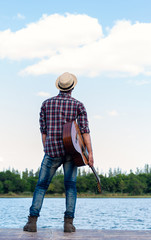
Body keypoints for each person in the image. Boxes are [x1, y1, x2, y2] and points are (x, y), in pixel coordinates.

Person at [23, 72, 94, 233]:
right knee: (70, 187)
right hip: (72, 152)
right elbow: (85, 132)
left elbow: (44, 131)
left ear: (59, 87)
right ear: (72, 87)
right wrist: (90, 154)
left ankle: (32, 223)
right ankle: (68, 224)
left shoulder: (46, 104)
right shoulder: (78, 105)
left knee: (41, 186)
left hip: (51, 151)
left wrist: (46, 148)